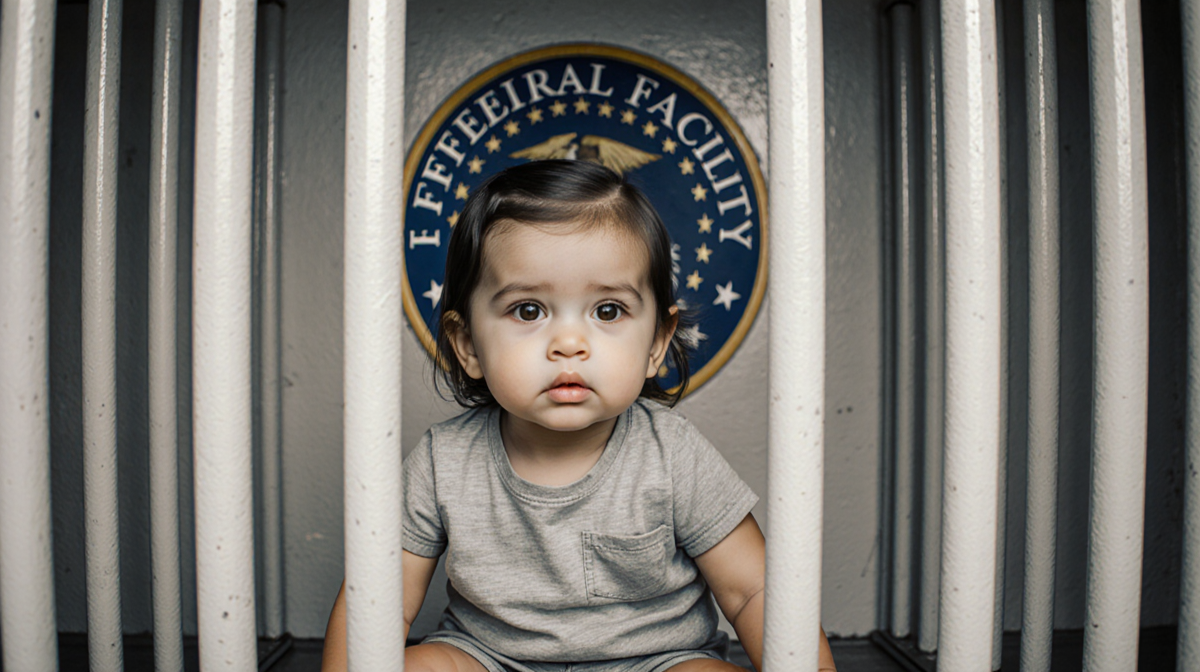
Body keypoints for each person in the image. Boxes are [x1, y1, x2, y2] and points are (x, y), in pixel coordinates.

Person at [321, 160, 837, 672]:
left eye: (608, 311)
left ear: (657, 340)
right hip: (489, 659)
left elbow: (753, 590)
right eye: (528, 311)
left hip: (655, 661)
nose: (569, 344)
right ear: (467, 345)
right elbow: (378, 599)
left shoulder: (674, 454)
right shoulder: (443, 460)